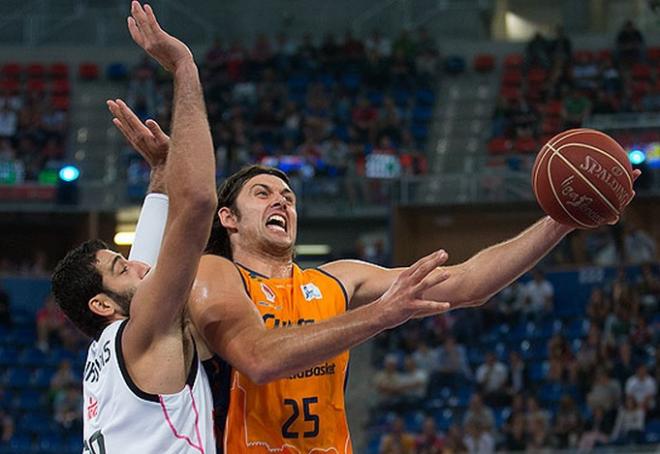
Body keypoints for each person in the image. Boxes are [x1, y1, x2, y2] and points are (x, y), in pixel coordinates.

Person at [115, 107, 640, 453]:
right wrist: (381, 314)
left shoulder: (338, 280)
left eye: (288, 196)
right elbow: (259, 358)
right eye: (263, 194)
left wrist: (560, 221)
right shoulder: (213, 275)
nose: (281, 201)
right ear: (228, 219)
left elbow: (470, 284)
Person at [51, 2, 218, 451]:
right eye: (122, 267)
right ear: (103, 303)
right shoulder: (145, 327)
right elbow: (201, 202)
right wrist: (184, 67)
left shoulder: (107, 349)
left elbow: (139, 266)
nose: (139, 266)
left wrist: (161, 175)